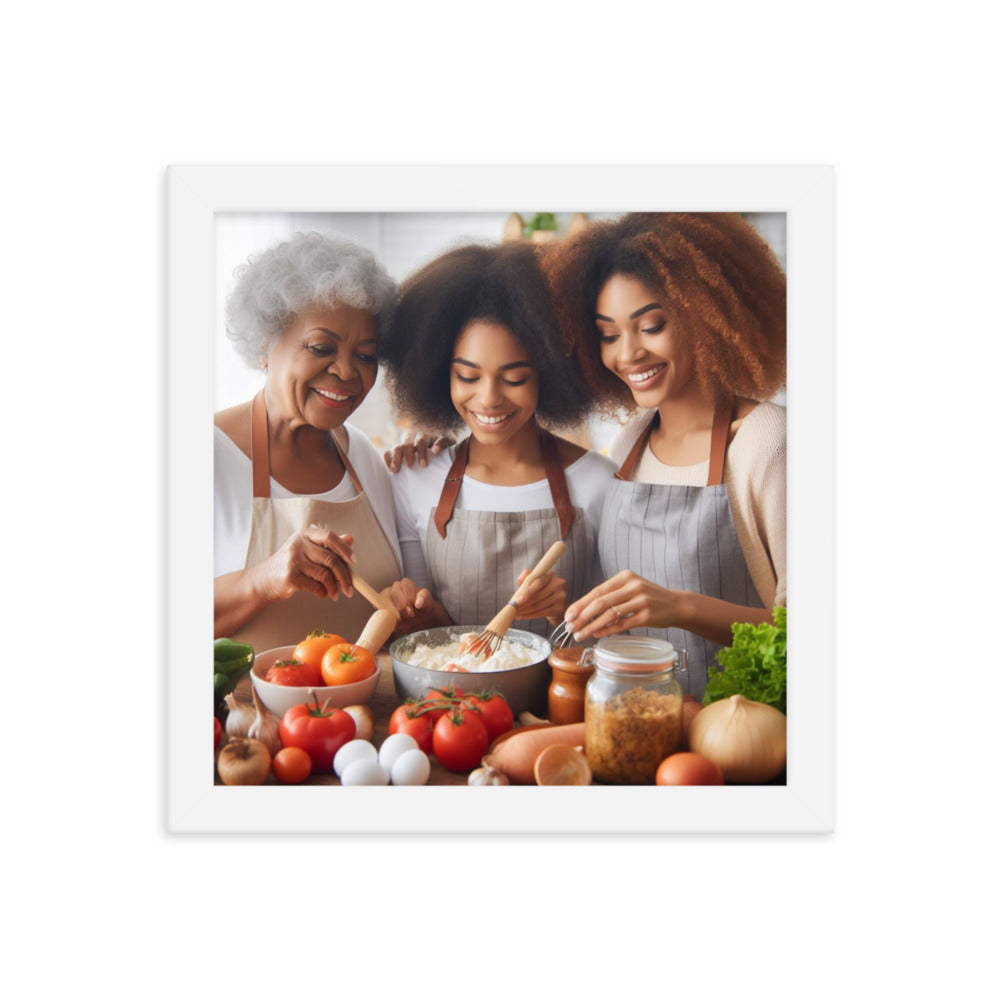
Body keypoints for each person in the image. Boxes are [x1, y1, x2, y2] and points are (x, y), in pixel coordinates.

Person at [543, 213, 786, 699]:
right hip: (638, 724)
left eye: (650, 326)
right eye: (609, 335)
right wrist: (562, 608)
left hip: (739, 738)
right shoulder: (631, 439)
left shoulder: (766, 441)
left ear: (707, 314)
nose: (627, 354)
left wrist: (679, 607)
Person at [378, 240, 616, 637]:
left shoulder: (600, 482)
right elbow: (426, 636)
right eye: (467, 377)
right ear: (439, 374)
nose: (488, 398)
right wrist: (416, 612)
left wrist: (563, 614)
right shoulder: (414, 478)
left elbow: (617, 642)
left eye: (515, 378)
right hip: (453, 697)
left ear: (551, 374)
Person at [214, 231, 403, 651]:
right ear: (265, 345)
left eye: (366, 356)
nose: (347, 371)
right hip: (241, 715)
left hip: (360, 716)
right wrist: (263, 579)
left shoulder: (366, 460)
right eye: (322, 347)